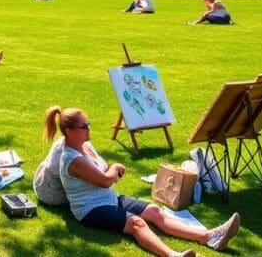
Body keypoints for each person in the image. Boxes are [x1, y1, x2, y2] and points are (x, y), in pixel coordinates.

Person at [47, 106, 240, 256]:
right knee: (136, 223)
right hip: (90, 209)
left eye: (88, 124)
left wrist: (111, 170)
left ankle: (209, 236)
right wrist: (114, 169)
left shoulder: (84, 146)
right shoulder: (71, 158)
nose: (89, 129)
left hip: (109, 198)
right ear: (70, 131)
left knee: (154, 211)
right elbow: (105, 180)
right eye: (84, 126)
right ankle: (172, 255)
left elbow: (102, 172)